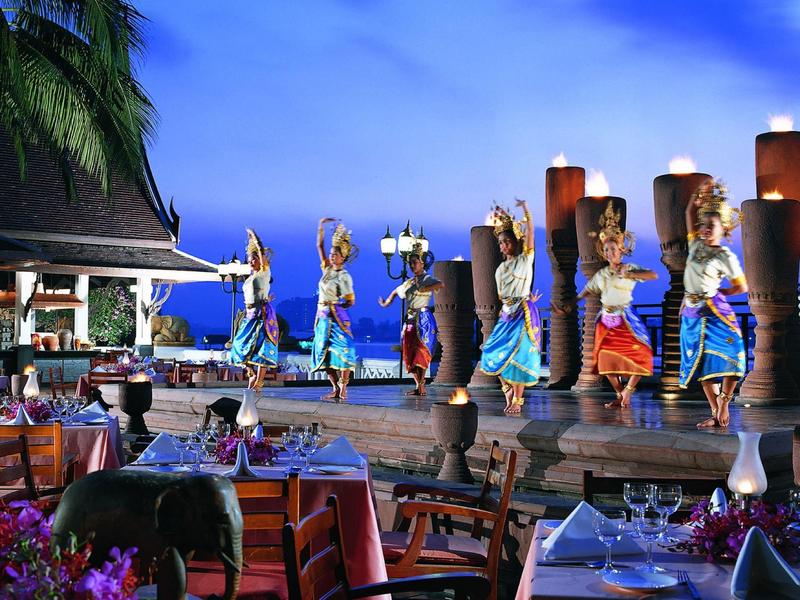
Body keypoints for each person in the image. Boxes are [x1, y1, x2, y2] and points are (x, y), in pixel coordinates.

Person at [552, 201, 658, 408]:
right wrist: (567, 306)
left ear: (621, 249)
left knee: (641, 354)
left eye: (613, 249)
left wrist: (631, 274)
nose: (610, 252)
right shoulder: (602, 274)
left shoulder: (629, 267)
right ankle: (620, 395)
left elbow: (653, 275)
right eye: (607, 249)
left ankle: (628, 390)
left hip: (625, 318)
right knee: (605, 365)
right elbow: (585, 292)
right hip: (606, 320)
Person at [680, 180, 748, 428]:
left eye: (712, 225)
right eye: (703, 225)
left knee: (732, 359)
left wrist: (717, 293)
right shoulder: (695, 245)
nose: (706, 229)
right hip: (691, 313)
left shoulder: (724, 255)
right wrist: (696, 198)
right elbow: (689, 213)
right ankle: (715, 412)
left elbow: (742, 286)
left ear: (724, 229)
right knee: (702, 365)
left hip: (715, 311)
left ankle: (725, 402)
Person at [479, 199, 542, 414]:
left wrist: (525, 209)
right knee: (489, 352)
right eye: (501, 243)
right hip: (506, 314)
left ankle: (518, 399)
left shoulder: (525, 259)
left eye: (507, 241)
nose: (504, 246)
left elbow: (531, 233)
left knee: (519, 356)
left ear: (516, 241)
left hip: (523, 313)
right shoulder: (500, 269)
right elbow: (504, 295)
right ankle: (506, 388)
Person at [378, 241, 444, 396]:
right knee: (409, 354)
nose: (412, 266)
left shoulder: (427, 279)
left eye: (414, 262)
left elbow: (439, 284)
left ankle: (421, 386)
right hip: (409, 321)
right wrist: (386, 302)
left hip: (423, 320)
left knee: (422, 352)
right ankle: (418, 385)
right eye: (410, 263)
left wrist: (424, 288)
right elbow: (396, 291)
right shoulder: (408, 283)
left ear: (422, 263)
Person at [311, 218, 358, 400]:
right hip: (322, 317)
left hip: (336, 317)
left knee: (343, 350)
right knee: (322, 353)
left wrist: (336, 306)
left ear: (342, 257)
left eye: (335, 254)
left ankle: (343, 388)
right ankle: (335, 388)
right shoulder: (327, 270)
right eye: (331, 254)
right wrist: (320, 227)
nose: (331, 256)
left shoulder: (344, 276)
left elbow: (350, 300)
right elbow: (319, 246)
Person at [229, 228, 279, 390]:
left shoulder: (264, 273)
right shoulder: (250, 278)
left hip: (262, 315)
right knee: (238, 346)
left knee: (261, 348)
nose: (251, 262)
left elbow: (261, 253)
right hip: (249, 315)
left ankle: (259, 381)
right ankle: (251, 374)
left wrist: (255, 238)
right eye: (249, 260)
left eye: (254, 259)